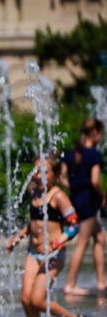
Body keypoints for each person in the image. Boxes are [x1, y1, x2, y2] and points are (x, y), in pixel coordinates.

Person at [6, 151, 89, 317]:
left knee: (37, 299)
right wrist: (19, 236)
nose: (38, 175)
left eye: (44, 171)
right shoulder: (35, 193)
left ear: (54, 174)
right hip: (33, 253)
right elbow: (34, 222)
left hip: (53, 255)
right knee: (26, 300)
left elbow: (74, 225)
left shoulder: (58, 196)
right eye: (36, 171)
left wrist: (55, 243)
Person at [59, 118, 106, 296]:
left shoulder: (72, 153)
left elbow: (61, 177)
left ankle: (102, 281)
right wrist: (103, 195)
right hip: (88, 202)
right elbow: (95, 180)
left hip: (76, 200)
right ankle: (70, 284)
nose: (101, 138)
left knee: (100, 236)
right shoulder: (93, 154)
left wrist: (73, 187)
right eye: (101, 134)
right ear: (95, 132)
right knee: (82, 242)